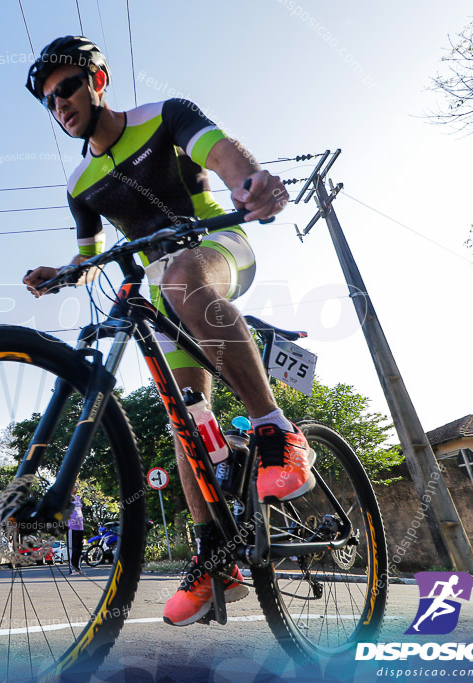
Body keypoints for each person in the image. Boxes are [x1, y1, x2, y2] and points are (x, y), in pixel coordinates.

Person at [21, 36, 314, 627]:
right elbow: (89, 257)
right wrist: (63, 273)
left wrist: (251, 182)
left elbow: (223, 153)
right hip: (164, 289)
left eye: (69, 88)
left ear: (97, 81)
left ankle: (279, 432)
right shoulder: (80, 185)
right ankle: (215, 557)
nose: (61, 105)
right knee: (186, 415)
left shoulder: (163, 117)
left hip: (217, 247)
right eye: (50, 101)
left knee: (180, 274)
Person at [67, 485, 85, 575]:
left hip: (80, 526)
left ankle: (78, 568)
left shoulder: (78, 498)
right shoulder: (66, 498)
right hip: (71, 527)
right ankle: (72, 569)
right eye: (74, 486)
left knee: (79, 548)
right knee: (72, 548)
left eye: (76, 487)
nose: (76, 488)